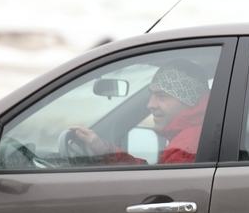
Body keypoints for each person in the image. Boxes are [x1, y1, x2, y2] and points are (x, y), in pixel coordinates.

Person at [69, 59, 210, 164]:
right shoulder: (196, 136)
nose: (150, 104)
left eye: (162, 96)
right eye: (151, 95)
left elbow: (154, 192)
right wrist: (105, 153)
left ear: (189, 100)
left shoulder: (184, 150)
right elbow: (154, 179)